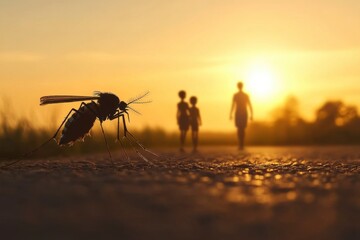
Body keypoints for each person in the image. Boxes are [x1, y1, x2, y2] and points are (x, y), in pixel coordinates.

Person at [230, 81, 253, 150]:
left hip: (241, 112)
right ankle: (241, 144)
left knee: (241, 128)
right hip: (240, 112)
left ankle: (241, 144)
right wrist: (231, 113)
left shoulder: (240, 95)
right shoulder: (238, 95)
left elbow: (249, 104)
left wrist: (251, 114)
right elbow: (233, 105)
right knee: (241, 128)